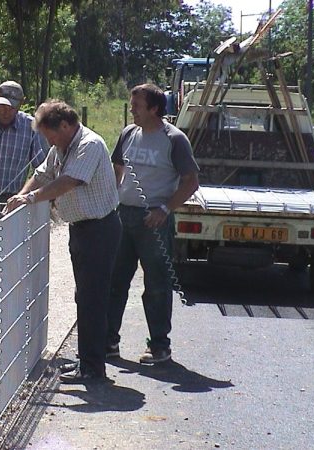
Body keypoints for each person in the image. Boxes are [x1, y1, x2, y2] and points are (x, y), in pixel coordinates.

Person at [4, 100, 121, 383]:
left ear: (66, 125)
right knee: (84, 297)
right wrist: (21, 197)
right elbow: (42, 174)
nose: (49, 141)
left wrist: (31, 198)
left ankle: (93, 368)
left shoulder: (89, 145)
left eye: (51, 135)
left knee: (92, 298)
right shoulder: (61, 147)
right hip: (82, 229)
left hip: (99, 229)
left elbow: (69, 181)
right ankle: (87, 361)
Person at [106, 83, 199, 364]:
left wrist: (165, 209)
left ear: (154, 109)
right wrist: (114, 200)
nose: (131, 109)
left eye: (137, 105)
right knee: (115, 281)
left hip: (154, 221)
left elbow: (191, 182)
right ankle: (109, 341)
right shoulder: (128, 134)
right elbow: (117, 169)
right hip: (124, 216)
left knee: (157, 285)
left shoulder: (174, 139)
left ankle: (159, 346)